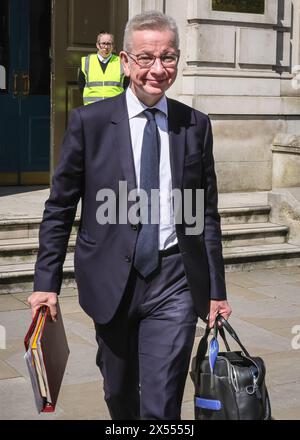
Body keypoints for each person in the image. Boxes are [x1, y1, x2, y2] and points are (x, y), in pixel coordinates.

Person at [28, 11, 232, 420]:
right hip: (111, 281)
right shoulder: (91, 123)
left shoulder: (195, 125)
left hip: (174, 279)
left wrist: (215, 289)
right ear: (125, 60)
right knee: (119, 394)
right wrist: (46, 282)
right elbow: (60, 207)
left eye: (168, 57)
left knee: (162, 400)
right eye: (146, 57)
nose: (158, 69)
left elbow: (203, 214)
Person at [78, 31, 128, 105]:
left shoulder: (121, 62)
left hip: (114, 108)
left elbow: (127, 86)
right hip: (92, 108)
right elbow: (81, 85)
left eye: (109, 44)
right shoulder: (87, 61)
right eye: (103, 43)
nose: (106, 47)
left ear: (113, 46)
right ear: (97, 45)